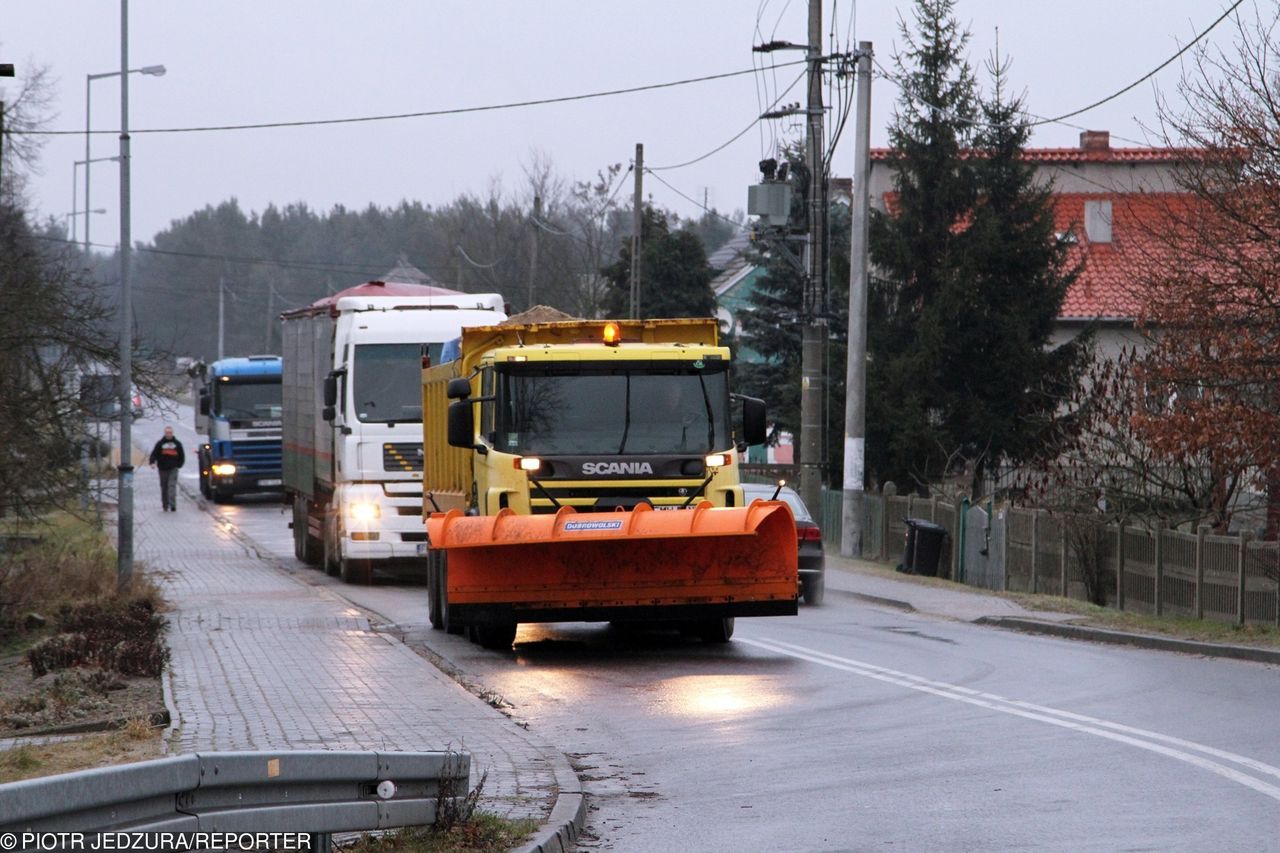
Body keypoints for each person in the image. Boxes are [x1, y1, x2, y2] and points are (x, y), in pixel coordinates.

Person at [148, 426, 185, 512]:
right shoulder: (160, 444)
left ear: (172, 433)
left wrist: (179, 465)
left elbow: (182, 456)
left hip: (173, 468)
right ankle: (165, 505)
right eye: (167, 433)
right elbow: (154, 454)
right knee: (164, 487)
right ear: (165, 433)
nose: (169, 434)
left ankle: (173, 505)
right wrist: (152, 462)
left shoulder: (177, 444)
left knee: (171, 486)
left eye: (170, 433)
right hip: (163, 469)